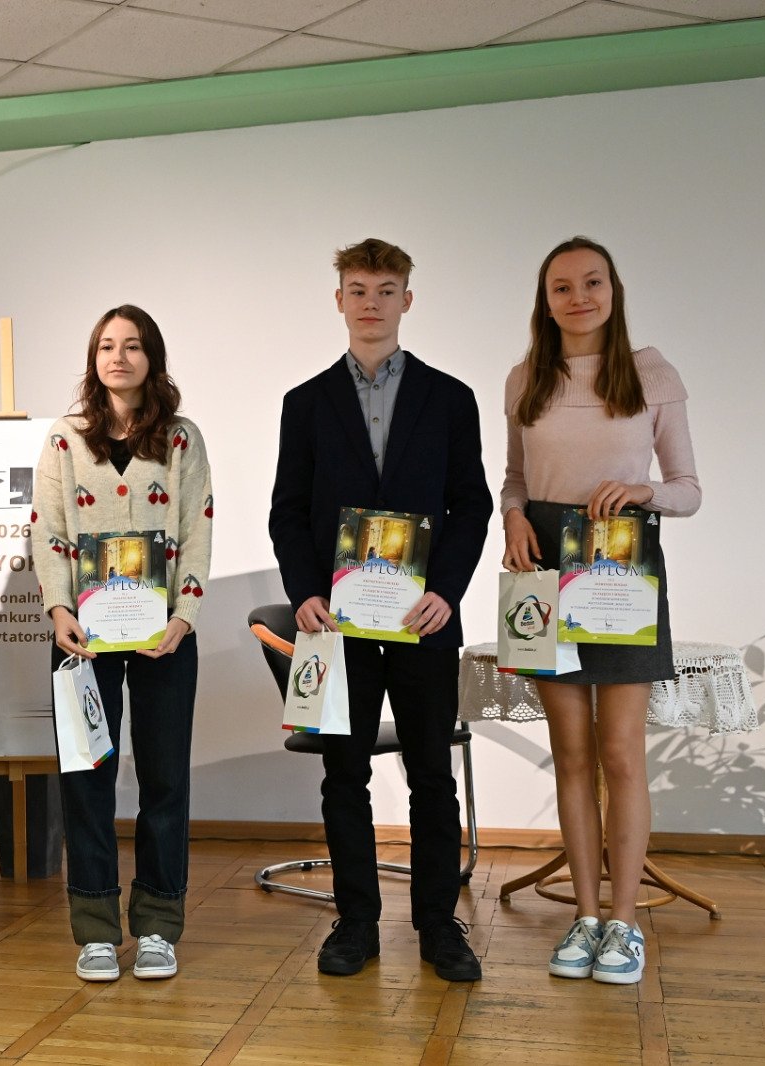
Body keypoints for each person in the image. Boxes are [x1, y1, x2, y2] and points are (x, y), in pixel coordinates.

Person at [269, 238, 491, 982]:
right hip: (337, 628)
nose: (371, 303)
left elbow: (472, 506)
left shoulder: (450, 398)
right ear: (339, 301)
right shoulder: (305, 404)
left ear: (407, 300)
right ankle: (356, 922)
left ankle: (439, 925)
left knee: (432, 776)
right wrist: (305, 591)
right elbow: (287, 511)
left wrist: (446, 591)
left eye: (385, 290)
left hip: (425, 620)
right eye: (358, 290)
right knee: (344, 777)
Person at [501, 236, 700, 985]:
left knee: (620, 754)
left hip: (621, 566)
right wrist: (512, 519)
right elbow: (514, 478)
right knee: (572, 757)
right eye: (562, 287)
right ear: (545, 300)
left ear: (613, 291)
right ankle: (584, 918)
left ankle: (624, 922)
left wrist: (644, 491)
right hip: (543, 567)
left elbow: (688, 488)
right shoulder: (525, 377)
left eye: (592, 283)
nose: (578, 297)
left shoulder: (652, 373)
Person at [31, 305, 213, 983]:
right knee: (87, 780)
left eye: (132, 346)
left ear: (151, 357)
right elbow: (49, 532)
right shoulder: (64, 440)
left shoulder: (182, 439)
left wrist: (184, 616)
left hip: (165, 635)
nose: (119, 357)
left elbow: (197, 528)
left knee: (164, 778)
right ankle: (96, 930)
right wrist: (58, 610)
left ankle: (159, 925)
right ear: (94, 358)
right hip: (82, 638)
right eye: (107, 346)